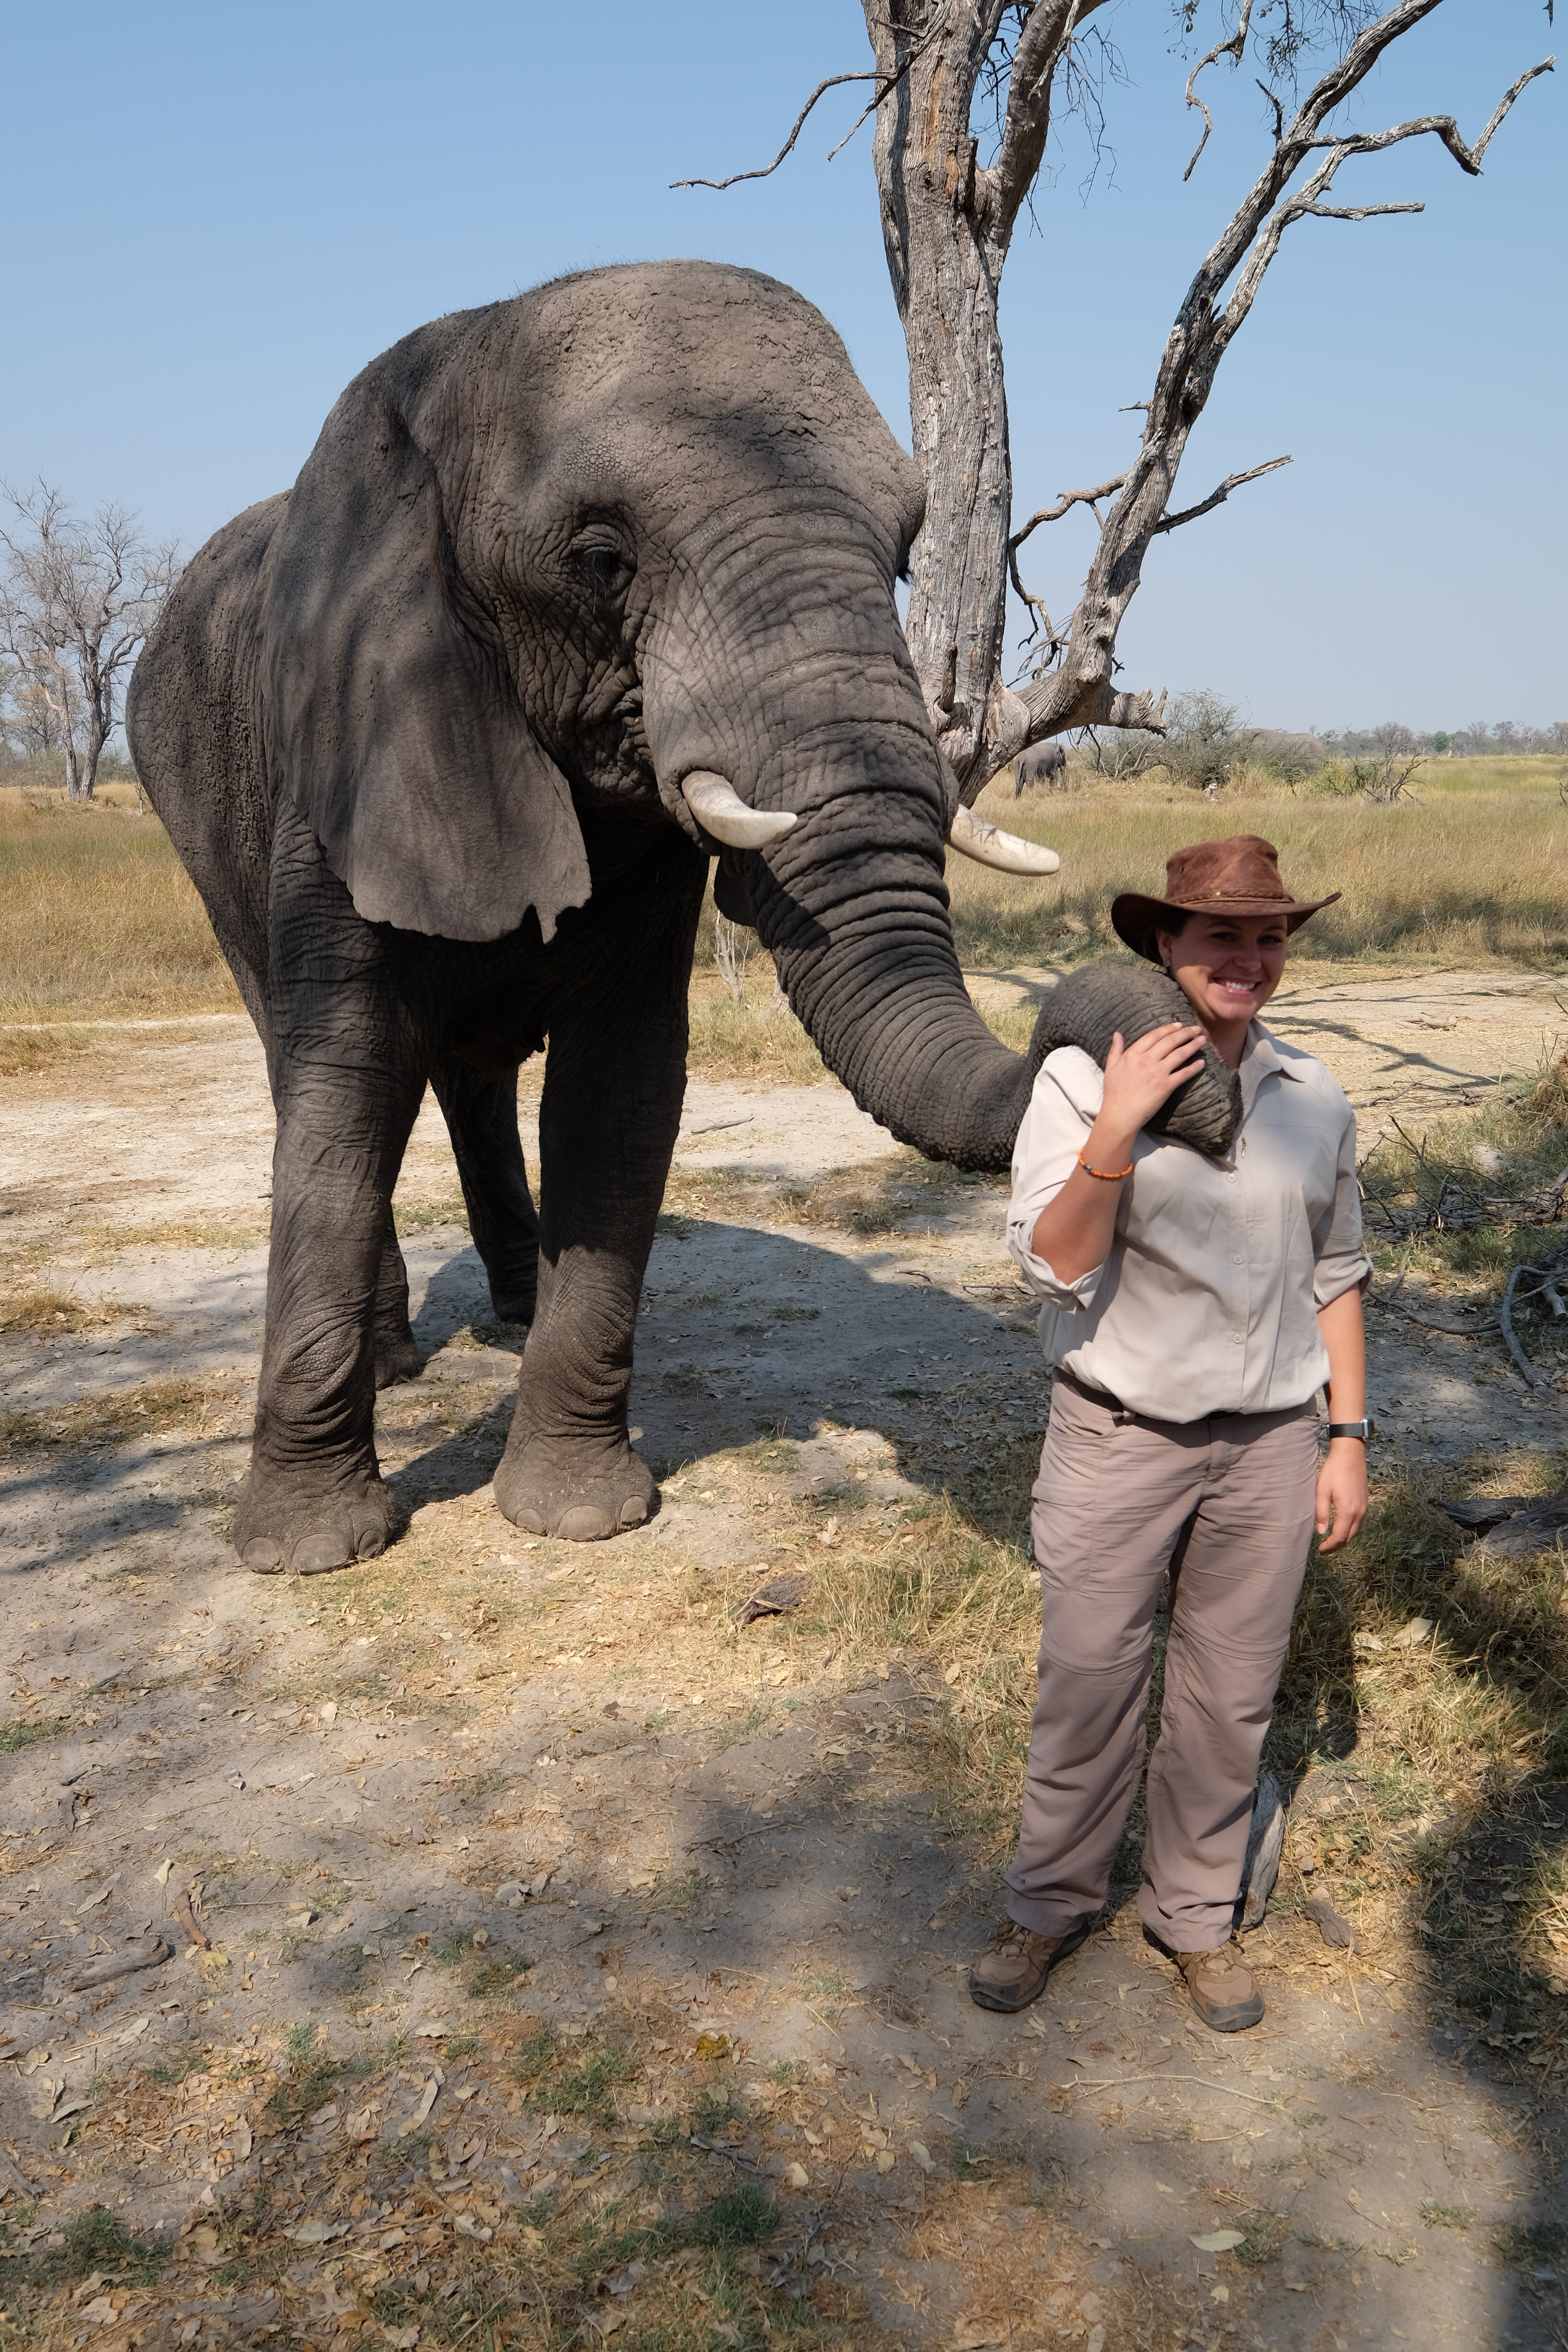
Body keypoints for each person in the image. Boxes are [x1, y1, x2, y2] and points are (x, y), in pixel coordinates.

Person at [970, 835, 1370, 2034]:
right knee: (1089, 1683)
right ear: (1165, 947)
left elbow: (1338, 1274)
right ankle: (1049, 1906)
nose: (1248, 958)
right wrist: (1121, 1128)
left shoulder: (1317, 1097)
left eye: (1269, 936)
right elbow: (1053, 1263)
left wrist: (1347, 1435)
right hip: (1120, 1433)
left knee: (1231, 1695)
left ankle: (1195, 1919)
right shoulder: (1085, 1082)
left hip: (1272, 1442)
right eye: (1220, 937)